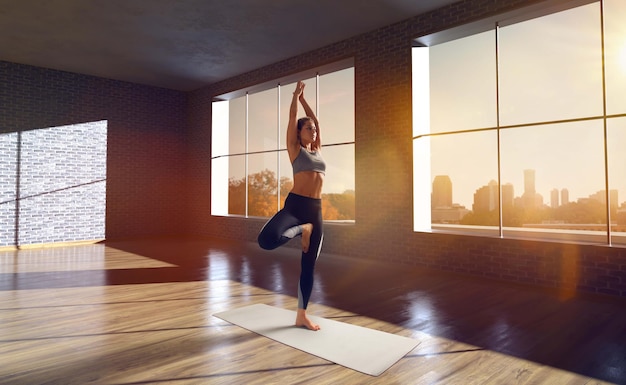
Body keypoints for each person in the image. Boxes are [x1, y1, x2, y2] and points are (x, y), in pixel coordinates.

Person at [257, 80, 325, 331]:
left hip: (315, 211)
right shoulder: (295, 149)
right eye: (308, 128)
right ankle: (302, 229)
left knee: (309, 266)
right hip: (295, 208)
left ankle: (301, 315)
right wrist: (296, 97)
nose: (313, 131)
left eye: (314, 128)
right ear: (298, 133)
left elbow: (316, 121)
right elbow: (293, 116)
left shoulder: (317, 149)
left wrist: (307, 101)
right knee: (266, 240)